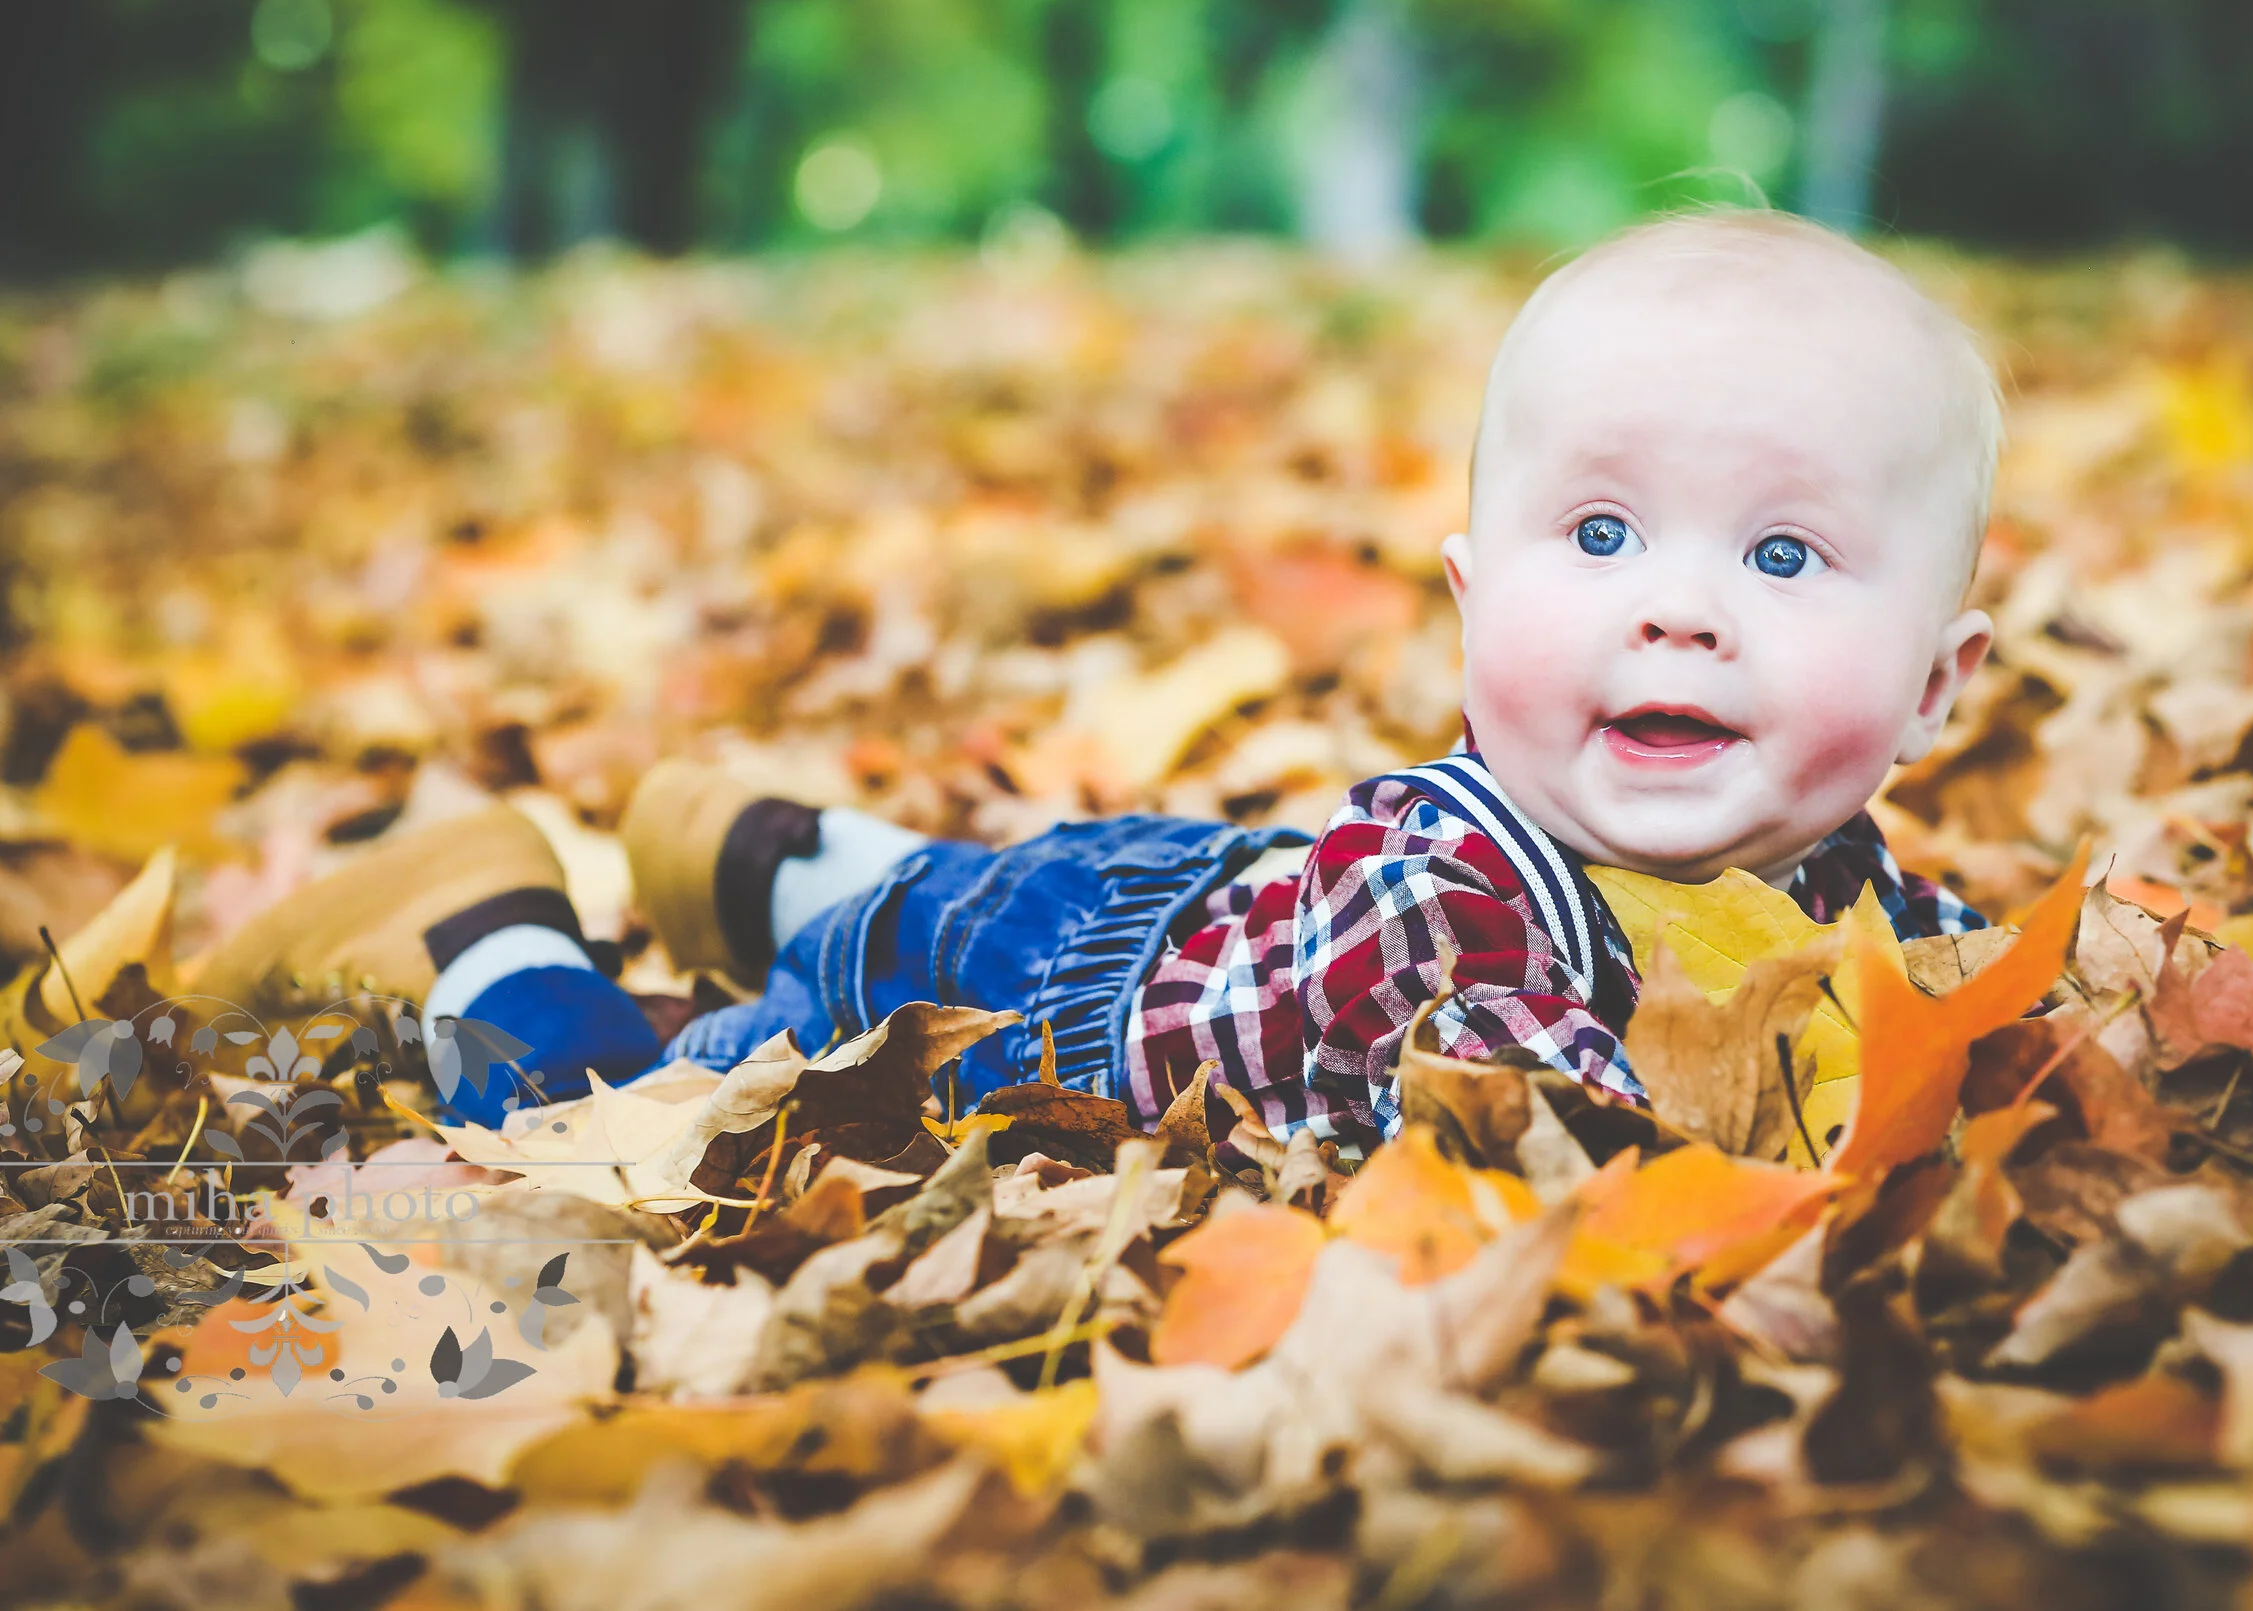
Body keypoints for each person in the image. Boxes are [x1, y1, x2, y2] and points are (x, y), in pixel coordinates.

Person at [192, 206, 1998, 1146]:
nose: (1677, 610)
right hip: (1011, 1021)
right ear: (1468, 605)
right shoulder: (1460, 922)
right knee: (654, 1110)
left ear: (1935, 689)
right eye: (1599, 534)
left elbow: (1953, 982)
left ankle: (786, 862)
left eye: (1782, 557)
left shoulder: (1838, 882)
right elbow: (1597, 1156)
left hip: (1159, 897)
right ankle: (497, 937)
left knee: (944, 896)